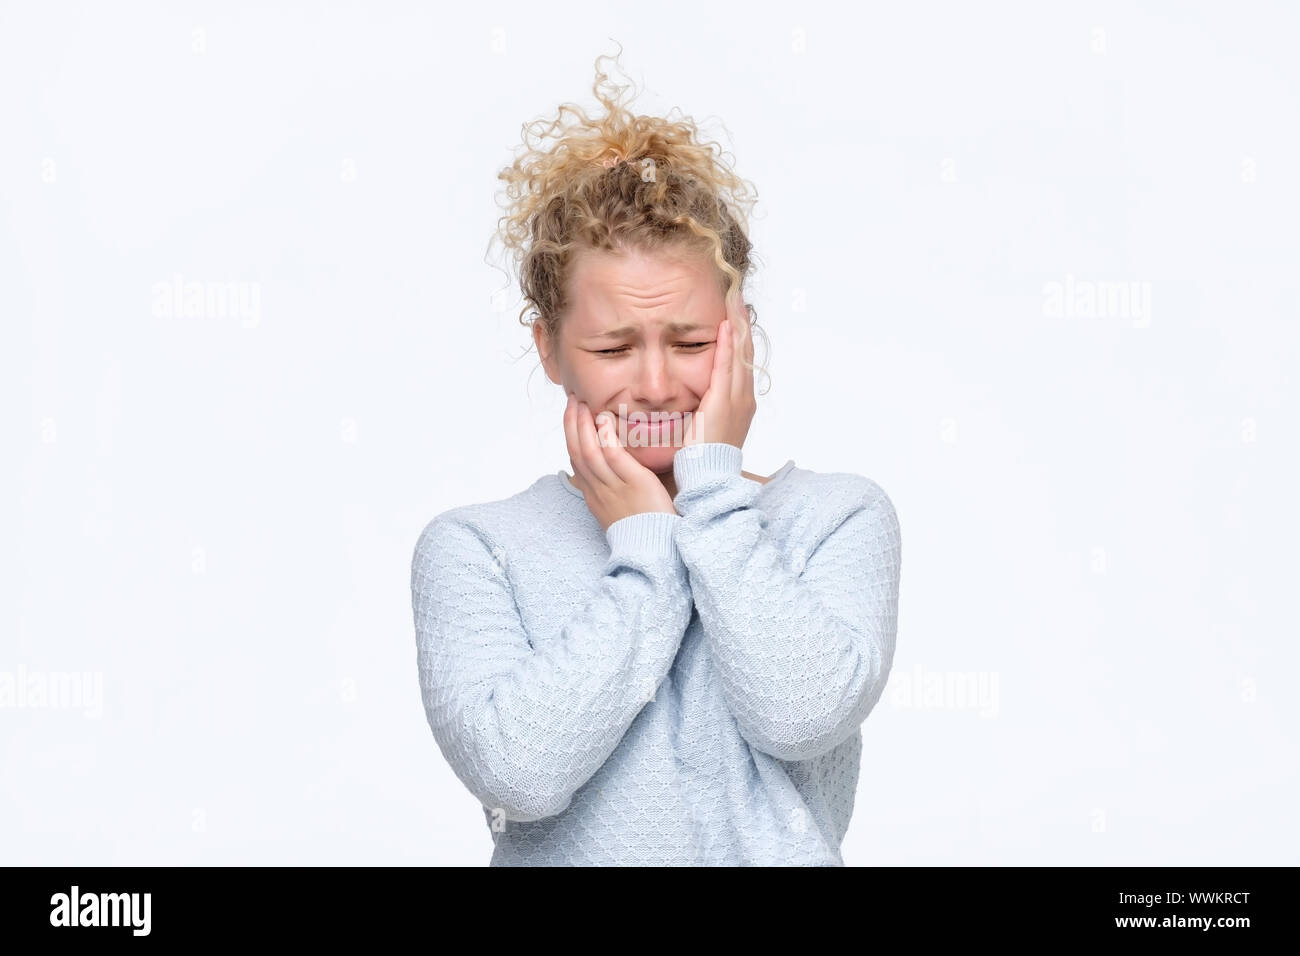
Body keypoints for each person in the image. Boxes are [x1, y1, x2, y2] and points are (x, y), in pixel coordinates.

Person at [410, 49, 902, 866]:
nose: (655, 383)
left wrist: (707, 495)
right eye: (612, 347)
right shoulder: (474, 549)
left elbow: (802, 713)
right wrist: (644, 554)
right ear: (549, 348)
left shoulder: (836, 518)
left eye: (691, 341)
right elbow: (519, 775)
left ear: (739, 332)